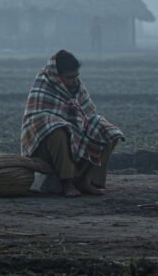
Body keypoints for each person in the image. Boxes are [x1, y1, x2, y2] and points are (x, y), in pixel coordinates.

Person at [21, 49, 124, 196]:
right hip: (44, 144)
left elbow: (88, 114)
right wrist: (63, 121)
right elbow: (37, 120)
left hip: (75, 136)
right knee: (57, 128)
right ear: (57, 76)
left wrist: (78, 121)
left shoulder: (76, 86)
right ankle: (66, 183)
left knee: (106, 130)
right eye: (69, 77)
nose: (75, 80)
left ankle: (86, 180)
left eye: (77, 76)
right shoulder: (43, 85)